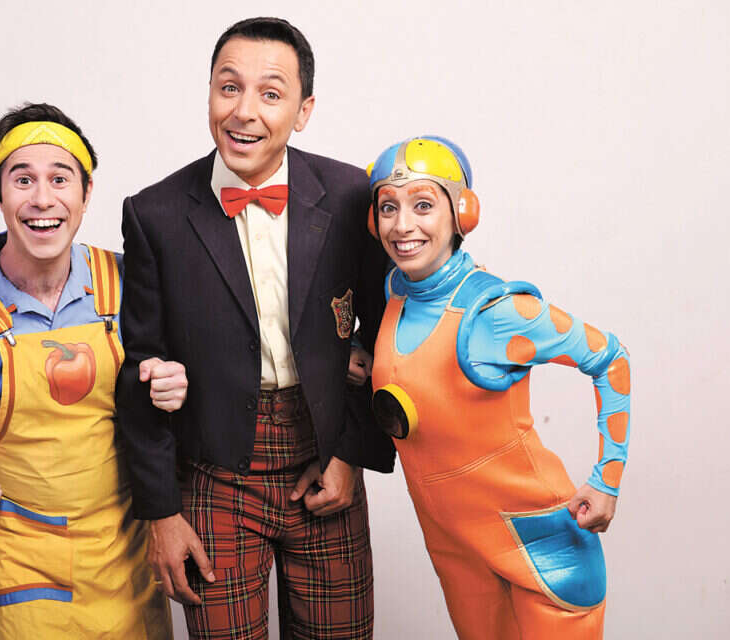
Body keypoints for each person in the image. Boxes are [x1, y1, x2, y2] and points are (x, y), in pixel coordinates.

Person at [116, 17, 394, 640]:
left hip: (324, 456)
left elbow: (385, 338)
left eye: (270, 93)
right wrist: (161, 513)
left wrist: (351, 453)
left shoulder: (353, 195)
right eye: (229, 87)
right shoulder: (155, 213)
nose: (244, 111)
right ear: (209, 94)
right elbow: (141, 370)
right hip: (211, 471)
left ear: (303, 110)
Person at [0, 102, 178, 639]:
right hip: (27, 557)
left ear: (86, 193)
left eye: (60, 179)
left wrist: (175, 383)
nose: (42, 199)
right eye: (23, 180)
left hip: (128, 547)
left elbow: (176, 382)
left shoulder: (129, 284)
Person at [366, 136, 631, 639]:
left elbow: (611, 358)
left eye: (423, 205)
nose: (402, 226)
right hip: (457, 551)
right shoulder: (397, 292)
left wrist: (607, 480)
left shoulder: (495, 311)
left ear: (461, 214)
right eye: (388, 207)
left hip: (541, 551)